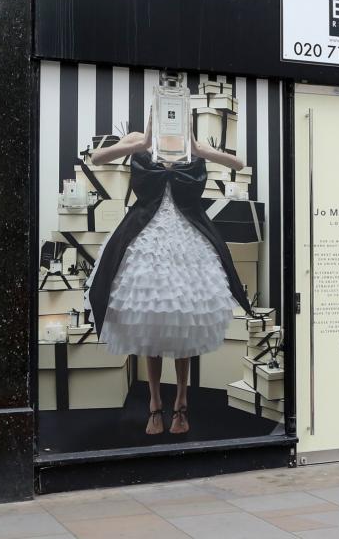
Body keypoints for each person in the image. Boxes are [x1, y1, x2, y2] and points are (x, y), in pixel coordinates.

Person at [87, 105, 252, 436]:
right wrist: (141, 143)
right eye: (163, 109)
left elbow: (239, 164)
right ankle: (154, 405)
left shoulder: (192, 144)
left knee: (183, 323)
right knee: (150, 321)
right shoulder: (139, 139)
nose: (169, 116)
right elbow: (97, 159)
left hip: (188, 239)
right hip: (145, 237)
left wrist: (203, 150)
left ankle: (180, 403)